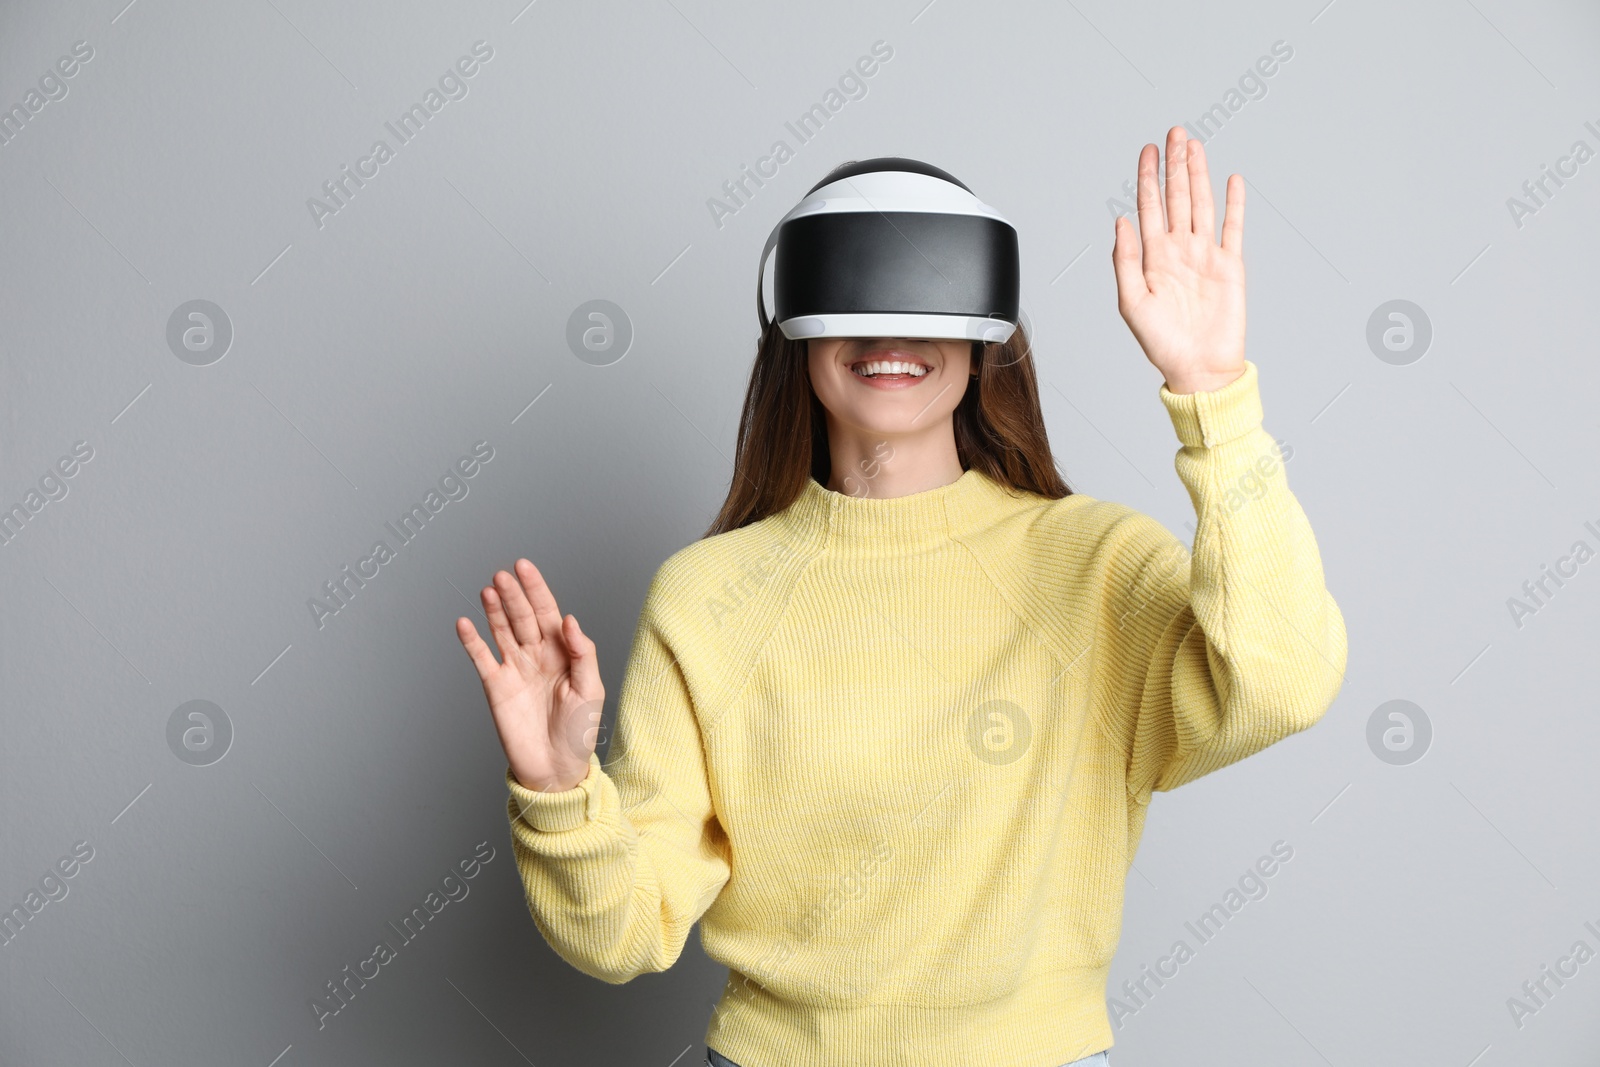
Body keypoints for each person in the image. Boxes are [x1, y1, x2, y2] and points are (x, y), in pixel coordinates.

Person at [454, 126, 1348, 1067]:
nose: (891, 335)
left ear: (982, 334)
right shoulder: (706, 596)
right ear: (794, 330)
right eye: (853, 299)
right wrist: (558, 791)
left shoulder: (1094, 565)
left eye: (927, 295)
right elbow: (624, 934)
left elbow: (1281, 681)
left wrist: (1212, 395)